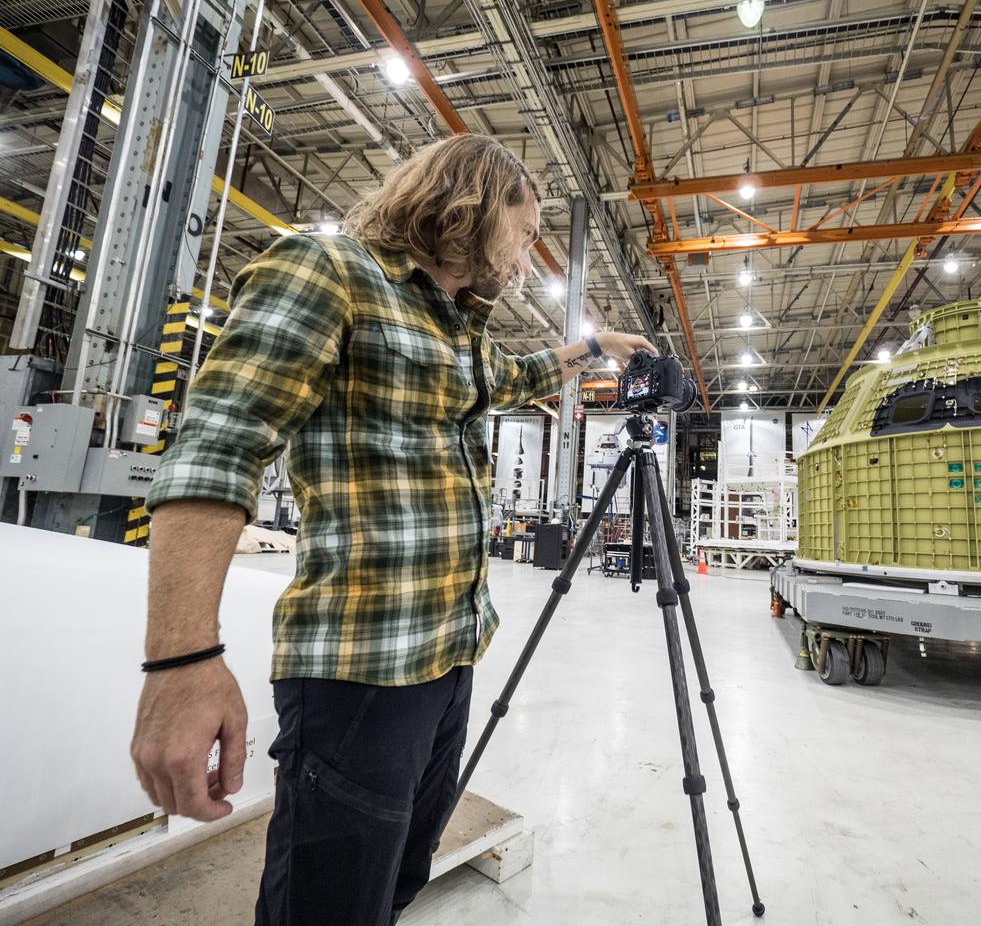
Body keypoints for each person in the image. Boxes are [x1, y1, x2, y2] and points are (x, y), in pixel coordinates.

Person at [129, 134, 657, 925]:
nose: (527, 250)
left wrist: (592, 348)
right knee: (330, 904)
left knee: (397, 879)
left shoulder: (458, 325)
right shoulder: (328, 271)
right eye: (525, 226)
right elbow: (217, 448)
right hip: (360, 674)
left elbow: (510, 377)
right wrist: (181, 660)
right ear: (477, 203)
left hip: (448, 659)